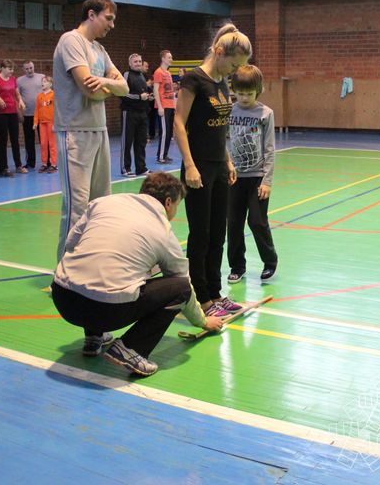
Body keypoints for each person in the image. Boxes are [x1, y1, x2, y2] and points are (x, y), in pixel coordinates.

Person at [51, 172, 223, 377]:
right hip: (106, 310)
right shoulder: (163, 231)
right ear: (168, 202)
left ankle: (94, 338)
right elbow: (183, 285)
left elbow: (71, 243)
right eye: (176, 206)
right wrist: (203, 322)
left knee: (99, 264)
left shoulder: (103, 203)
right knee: (179, 288)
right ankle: (132, 349)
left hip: (63, 297)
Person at [174, 23, 252, 317]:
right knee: (201, 234)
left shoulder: (221, 80)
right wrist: (190, 165)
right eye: (233, 64)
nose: (235, 71)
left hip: (219, 166)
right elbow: (179, 124)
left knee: (219, 232)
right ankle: (200, 298)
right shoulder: (194, 79)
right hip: (198, 168)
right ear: (219, 52)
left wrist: (228, 160)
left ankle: (216, 294)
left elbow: (220, 128)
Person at [53, 0, 129, 260]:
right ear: (91, 14)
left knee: (101, 205)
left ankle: (91, 262)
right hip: (74, 131)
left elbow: (125, 87)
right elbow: (88, 88)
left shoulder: (100, 50)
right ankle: (64, 273)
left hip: (99, 131)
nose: (112, 25)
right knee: (77, 207)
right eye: (108, 18)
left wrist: (103, 85)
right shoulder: (71, 41)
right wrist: (106, 85)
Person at [226, 65, 279, 285]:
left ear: (258, 90)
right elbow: (223, 141)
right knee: (234, 224)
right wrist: (227, 164)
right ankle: (237, 266)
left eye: (249, 93)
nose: (244, 98)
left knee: (257, 221)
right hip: (234, 177)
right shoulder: (228, 111)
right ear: (233, 90)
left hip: (257, 178)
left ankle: (270, 261)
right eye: (240, 93)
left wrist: (266, 180)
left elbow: (269, 148)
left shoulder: (265, 114)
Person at [0, 59, 27, 175]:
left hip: (13, 112)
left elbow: (16, 94)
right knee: (3, 140)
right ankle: (4, 167)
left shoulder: (13, 79)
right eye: (9, 69)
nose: (11, 71)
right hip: (1, 113)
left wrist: (20, 101)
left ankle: (18, 165)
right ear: (2, 68)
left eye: (12, 69)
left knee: (15, 140)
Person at [121, 53, 151, 177]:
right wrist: (139, 97)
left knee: (141, 141)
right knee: (127, 141)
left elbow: (143, 94)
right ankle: (125, 168)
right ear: (130, 64)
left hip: (142, 114)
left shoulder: (142, 76)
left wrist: (148, 97)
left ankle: (141, 168)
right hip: (129, 113)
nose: (138, 63)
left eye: (139, 61)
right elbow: (122, 93)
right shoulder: (126, 75)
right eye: (135, 62)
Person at [17, 61, 46, 171]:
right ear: (24, 70)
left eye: (31, 68)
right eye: (27, 69)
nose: (29, 70)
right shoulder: (19, 81)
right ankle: (30, 162)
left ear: (34, 67)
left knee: (44, 139)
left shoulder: (42, 77)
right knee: (29, 140)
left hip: (42, 114)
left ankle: (47, 161)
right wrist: (20, 113)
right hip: (28, 115)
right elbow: (17, 97)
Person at [153, 50, 177, 163]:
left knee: (169, 132)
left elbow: (170, 90)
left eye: (171, 57)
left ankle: (165, 154)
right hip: (163, 106)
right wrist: (160, 106)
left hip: (171, 105)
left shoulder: (168, 73)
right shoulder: (158, 72)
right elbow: (156, 90)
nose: (171, 59)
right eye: (169, 57)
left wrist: (174, 105)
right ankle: (160, 157)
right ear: (163, 58)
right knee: (164, 133)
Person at [33, 76, 57, 173]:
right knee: (43, 144)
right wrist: (35, 122)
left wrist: (56, 123)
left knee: (52, 144)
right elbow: (37, 110)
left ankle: (54, 164)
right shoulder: (39, 96)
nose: (43, 83)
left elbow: (57, 110)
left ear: (50, 84)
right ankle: (44, 163)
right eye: (42, 81)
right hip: (42, 123)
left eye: (45, 81)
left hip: (51, 123)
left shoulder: (54, 95)